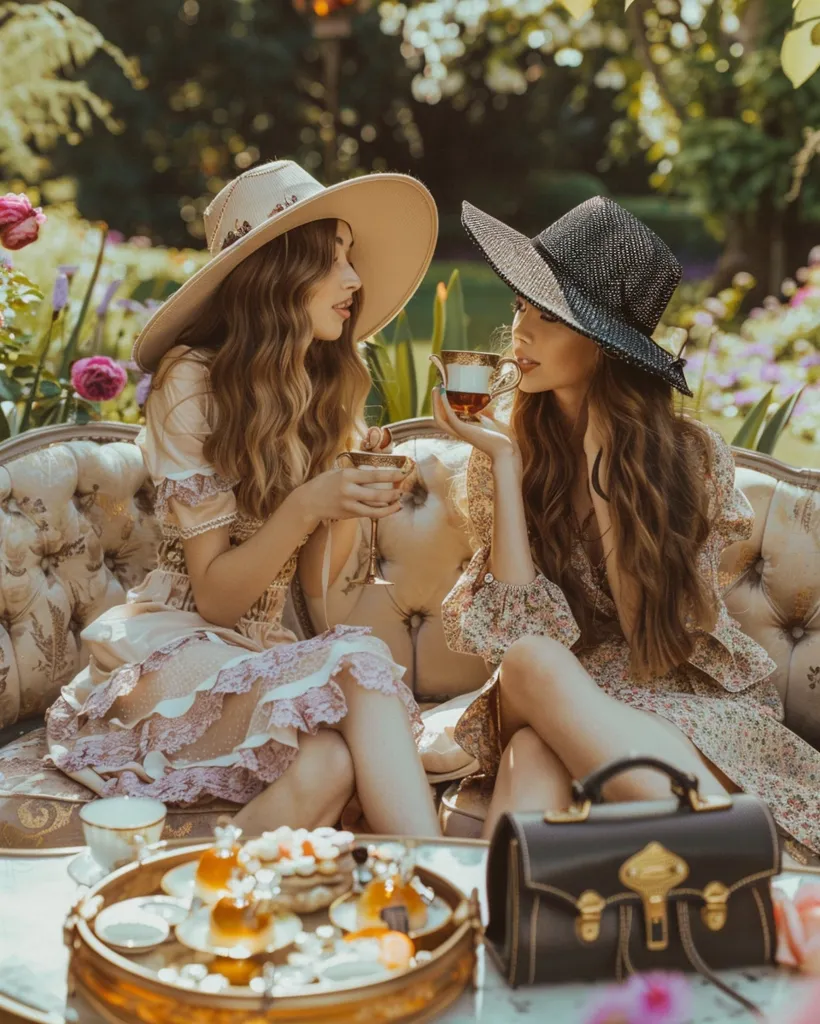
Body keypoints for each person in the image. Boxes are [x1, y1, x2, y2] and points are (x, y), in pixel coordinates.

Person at [46, 160, 440, 837]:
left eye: (351, 258)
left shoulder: (315, 389)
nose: (354, 279)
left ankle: (202, 885)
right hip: (174, 645)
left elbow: (324, 601)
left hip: (258, 651)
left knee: (328, 766)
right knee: (363, 663)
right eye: (333, 259)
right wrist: (309, 503)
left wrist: (348, 499)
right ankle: (440, 880)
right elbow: (216, 599)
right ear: (278, 274)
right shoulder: (190, 381)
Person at [432, 196, 820, 853]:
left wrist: (605, 471)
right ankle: (725, 850)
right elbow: (517, 633)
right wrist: (503, 460)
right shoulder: (508, 450)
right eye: (521, 306)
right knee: (530, 662)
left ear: (604, 347)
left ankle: (495, 907)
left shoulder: (690, 458)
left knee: (533, 752)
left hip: (671, 691)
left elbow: (652, 641)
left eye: (547, 316)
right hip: (549, 684)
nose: (519, 332)